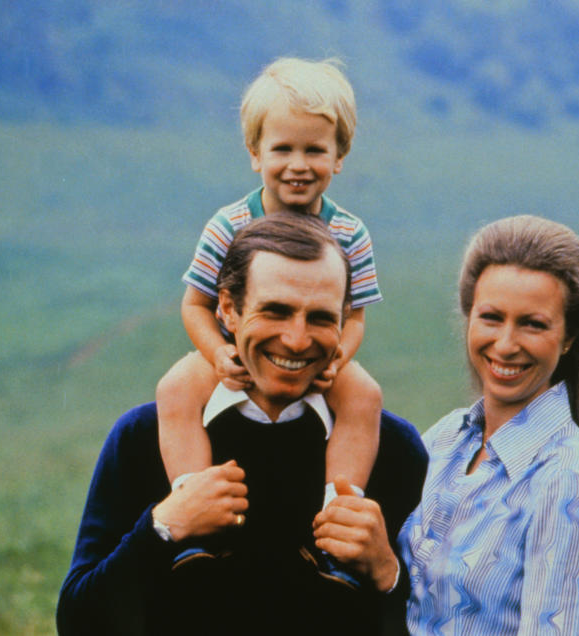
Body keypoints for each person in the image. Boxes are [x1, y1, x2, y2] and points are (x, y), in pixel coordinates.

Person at [57, 213, 427, 635]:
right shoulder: (143, 436)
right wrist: (162, 527)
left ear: (344, 320)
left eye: (321, 318)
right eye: (276, 311)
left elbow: (432, 625)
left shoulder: (393, 447)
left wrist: (387, 571)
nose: (297, 339)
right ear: (228, 310)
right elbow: (78, 623)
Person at [155, 57, 384, 581]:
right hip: (235, 353)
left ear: (340, 157)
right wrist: (218, 354)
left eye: (314, 150)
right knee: (175, 388)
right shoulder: (229, 224)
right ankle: (195, 511)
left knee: (365, 396)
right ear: (255, 154)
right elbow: (194, 304)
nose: (298, 164)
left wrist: (339, 359)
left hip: (318, 357)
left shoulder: (351, 233)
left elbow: (354, 318)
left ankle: (337, 520)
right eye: (282, 149)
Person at [397, 215, 579, 634]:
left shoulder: (568, 482)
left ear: (569, 338)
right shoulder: (444, 438)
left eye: (532, 324)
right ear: (468, 317)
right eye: (491, 317)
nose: (506, 345)